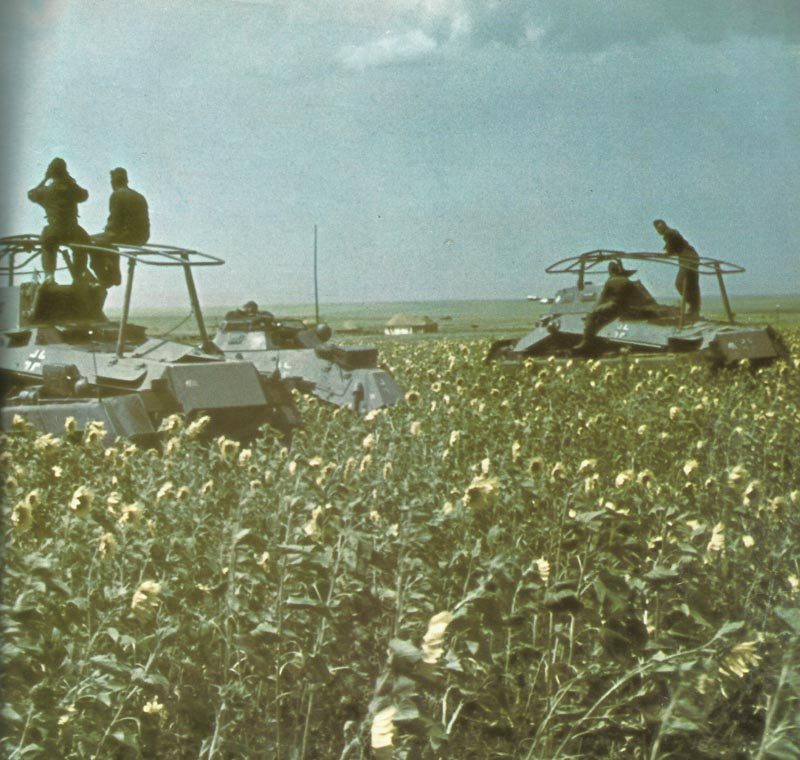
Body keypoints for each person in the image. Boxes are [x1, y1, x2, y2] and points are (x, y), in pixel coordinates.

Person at [27, 157, 92, 284]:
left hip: (54, 231)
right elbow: (85, 195)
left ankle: (49, 275)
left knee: (47, 243)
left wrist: (45, 179)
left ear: (51, 172)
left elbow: (31, 194)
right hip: (72, 230)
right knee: (84, 243)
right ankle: (79, 274)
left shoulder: (45, 191)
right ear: (65, 171)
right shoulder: (72, 190)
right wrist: (70, 181)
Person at [91, 167, 150, 287]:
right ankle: (114, 272)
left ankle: (107, 278)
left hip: (127, 236)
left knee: (89, 241)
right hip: (142, 237)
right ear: (126, 180)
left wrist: (103, 235)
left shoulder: (117, 195)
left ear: (112, 182)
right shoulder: (138, 196)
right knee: (106, 240)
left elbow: (114, 223)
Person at [575, 260, 647, 352]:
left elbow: (602, 298)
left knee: (591, 314)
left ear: (611, 271)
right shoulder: (627, 281)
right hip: (626, 307)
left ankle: (586, 341)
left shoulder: (611, 281)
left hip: (614, 305)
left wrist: (593, 311)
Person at [653, 219, 701, 319]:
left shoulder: (670, 233)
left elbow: (671, 248)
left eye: (660, 227)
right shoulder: (671, 234)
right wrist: (667, 252)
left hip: (688, 259)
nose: (659, 230)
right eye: (658, 228)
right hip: (691, 257)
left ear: (663, 227)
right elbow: (673, 248)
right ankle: (694, 309)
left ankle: (693, 306)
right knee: (692, 284)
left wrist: (667, 253)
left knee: (680, 283)